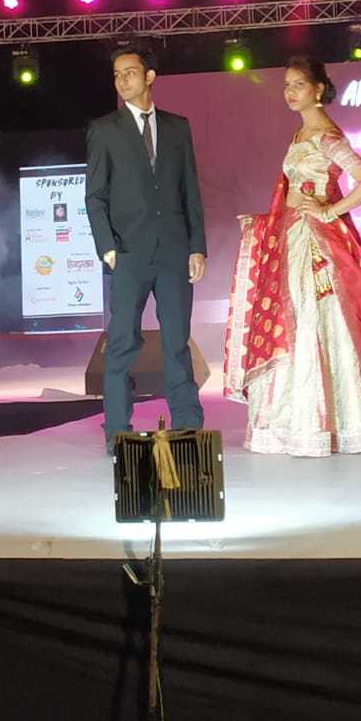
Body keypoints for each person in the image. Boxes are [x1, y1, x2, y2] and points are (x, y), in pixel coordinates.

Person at [223, 55, 361, 456]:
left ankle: (321, 424)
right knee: (291, 321)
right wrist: (265, 222)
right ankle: (290, 422)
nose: (290, 92)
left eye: (298, 85)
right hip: (292, 233)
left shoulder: (327, 137)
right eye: (286, 85)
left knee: (309, 323)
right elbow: (293, 192)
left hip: (313, 243)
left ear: (318, 89)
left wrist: (329, 211)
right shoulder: (300, 134)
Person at [86, 44, 207, 454]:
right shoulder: (105, 130)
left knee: (176, 341)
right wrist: (107, 247)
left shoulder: (177, 127)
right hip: (128, 253)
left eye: (130, 73)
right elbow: (95, 196)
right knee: (122, 344)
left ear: (149, 77)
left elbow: (190, 190)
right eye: (117, 75)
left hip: (174, 250)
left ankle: (187, 427)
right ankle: (117, 432)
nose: (122, 81)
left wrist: (197, 246)